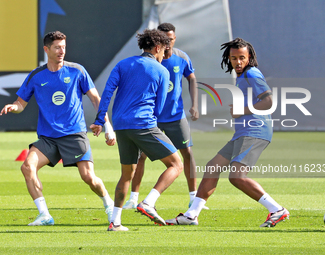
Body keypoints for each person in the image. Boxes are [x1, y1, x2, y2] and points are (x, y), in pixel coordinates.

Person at [166, 38, 289, 227]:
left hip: (255, 132)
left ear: (249, 58)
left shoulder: (253, 73)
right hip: (243, 133)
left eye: (242, 58)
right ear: (228, 58)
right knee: (212, 167)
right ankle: (191, 215)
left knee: (237, 177)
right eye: (234, 58)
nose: (238, 62)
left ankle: (277, 209)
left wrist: (242, 110)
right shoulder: (242, 77)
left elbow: (269, 102)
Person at [0, 31, 115, 226]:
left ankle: (109, 205)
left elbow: (96, 99)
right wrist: (13, 107)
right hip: (48, 138)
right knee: (27, 167)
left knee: (89, 177)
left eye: (64, 47)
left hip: (74, 134)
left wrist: (108, 127)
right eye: (57, 47)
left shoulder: (77, 70)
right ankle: (44, 215)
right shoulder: (36, 76)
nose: (62, 51)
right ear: (46, 49)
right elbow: (21, 104)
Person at [91, 29, 183, 231]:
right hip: (143, 124)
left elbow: (107, 93)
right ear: (157, 48)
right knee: (177, 165)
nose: (163, 56)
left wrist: (100, 120)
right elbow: (159, 107)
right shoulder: (162, 71)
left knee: (127, 174)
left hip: (121, 126)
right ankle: (148, 202)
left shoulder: (123, 64)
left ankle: (115, 222)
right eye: (163, 52)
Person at [123, 22, 208, 210]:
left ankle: (193, 197)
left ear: (174, 38)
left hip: (175, 117)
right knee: (141, 156)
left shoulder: (181, 58)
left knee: (187, 153)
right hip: (152, 118)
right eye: (163, 39)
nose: (167, 42)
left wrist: (194, 104)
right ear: (157, 41)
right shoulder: (149, 61)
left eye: (170, 38)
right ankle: (133, 198)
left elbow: (192, 78)